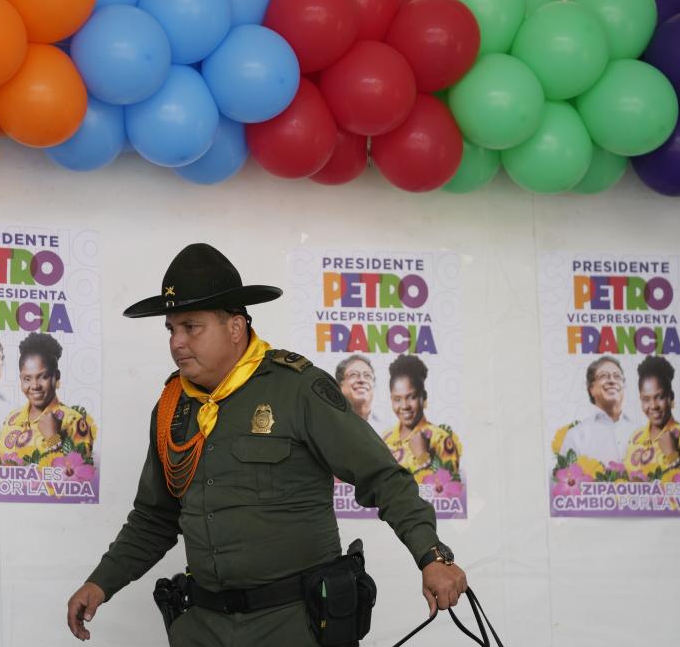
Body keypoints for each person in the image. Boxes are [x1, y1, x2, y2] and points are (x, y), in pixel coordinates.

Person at [66, 244, 467, 646]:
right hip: (203, 627)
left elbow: (382, 478)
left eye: (192, 327)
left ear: (235, 327)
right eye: (171, 329)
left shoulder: (298, 389)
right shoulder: (173, 408)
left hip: (293, 624)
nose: (177, 342)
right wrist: (101, 582)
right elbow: (155, 518)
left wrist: (432, 556)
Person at [0, 333, 96, 463]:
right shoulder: (12, 418)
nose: (35, 386)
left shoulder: (74, 422)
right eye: (27, 378)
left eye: (43, 377)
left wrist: (53, 439)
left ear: (56, 376)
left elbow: (80, 476)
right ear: (20, 379)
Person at [381, 354, 463, 485]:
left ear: (423, 397)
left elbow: (451, 494)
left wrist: (422, 457)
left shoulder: (441, 439)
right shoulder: (385, 438)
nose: (404, 406)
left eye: (411, 397)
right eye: (397, 399)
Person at [624, 355, 680, 478]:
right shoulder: (635, 438)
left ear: (671, 397)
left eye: (660, 397)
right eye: (646, 399)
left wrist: (672, 455)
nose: (653, 406)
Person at [558, 356, 642, 465]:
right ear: (591, 389)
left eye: (617, 376)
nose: (612, 380)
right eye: (604, 376)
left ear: (624, 385)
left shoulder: (642, 432)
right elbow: (562, 479)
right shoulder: (576, 436)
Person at [334, 354, 383, 427]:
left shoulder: (386, 429)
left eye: (367, 375)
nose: (362, 380)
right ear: (340, 385)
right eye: (353, 374)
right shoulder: (331, 424)